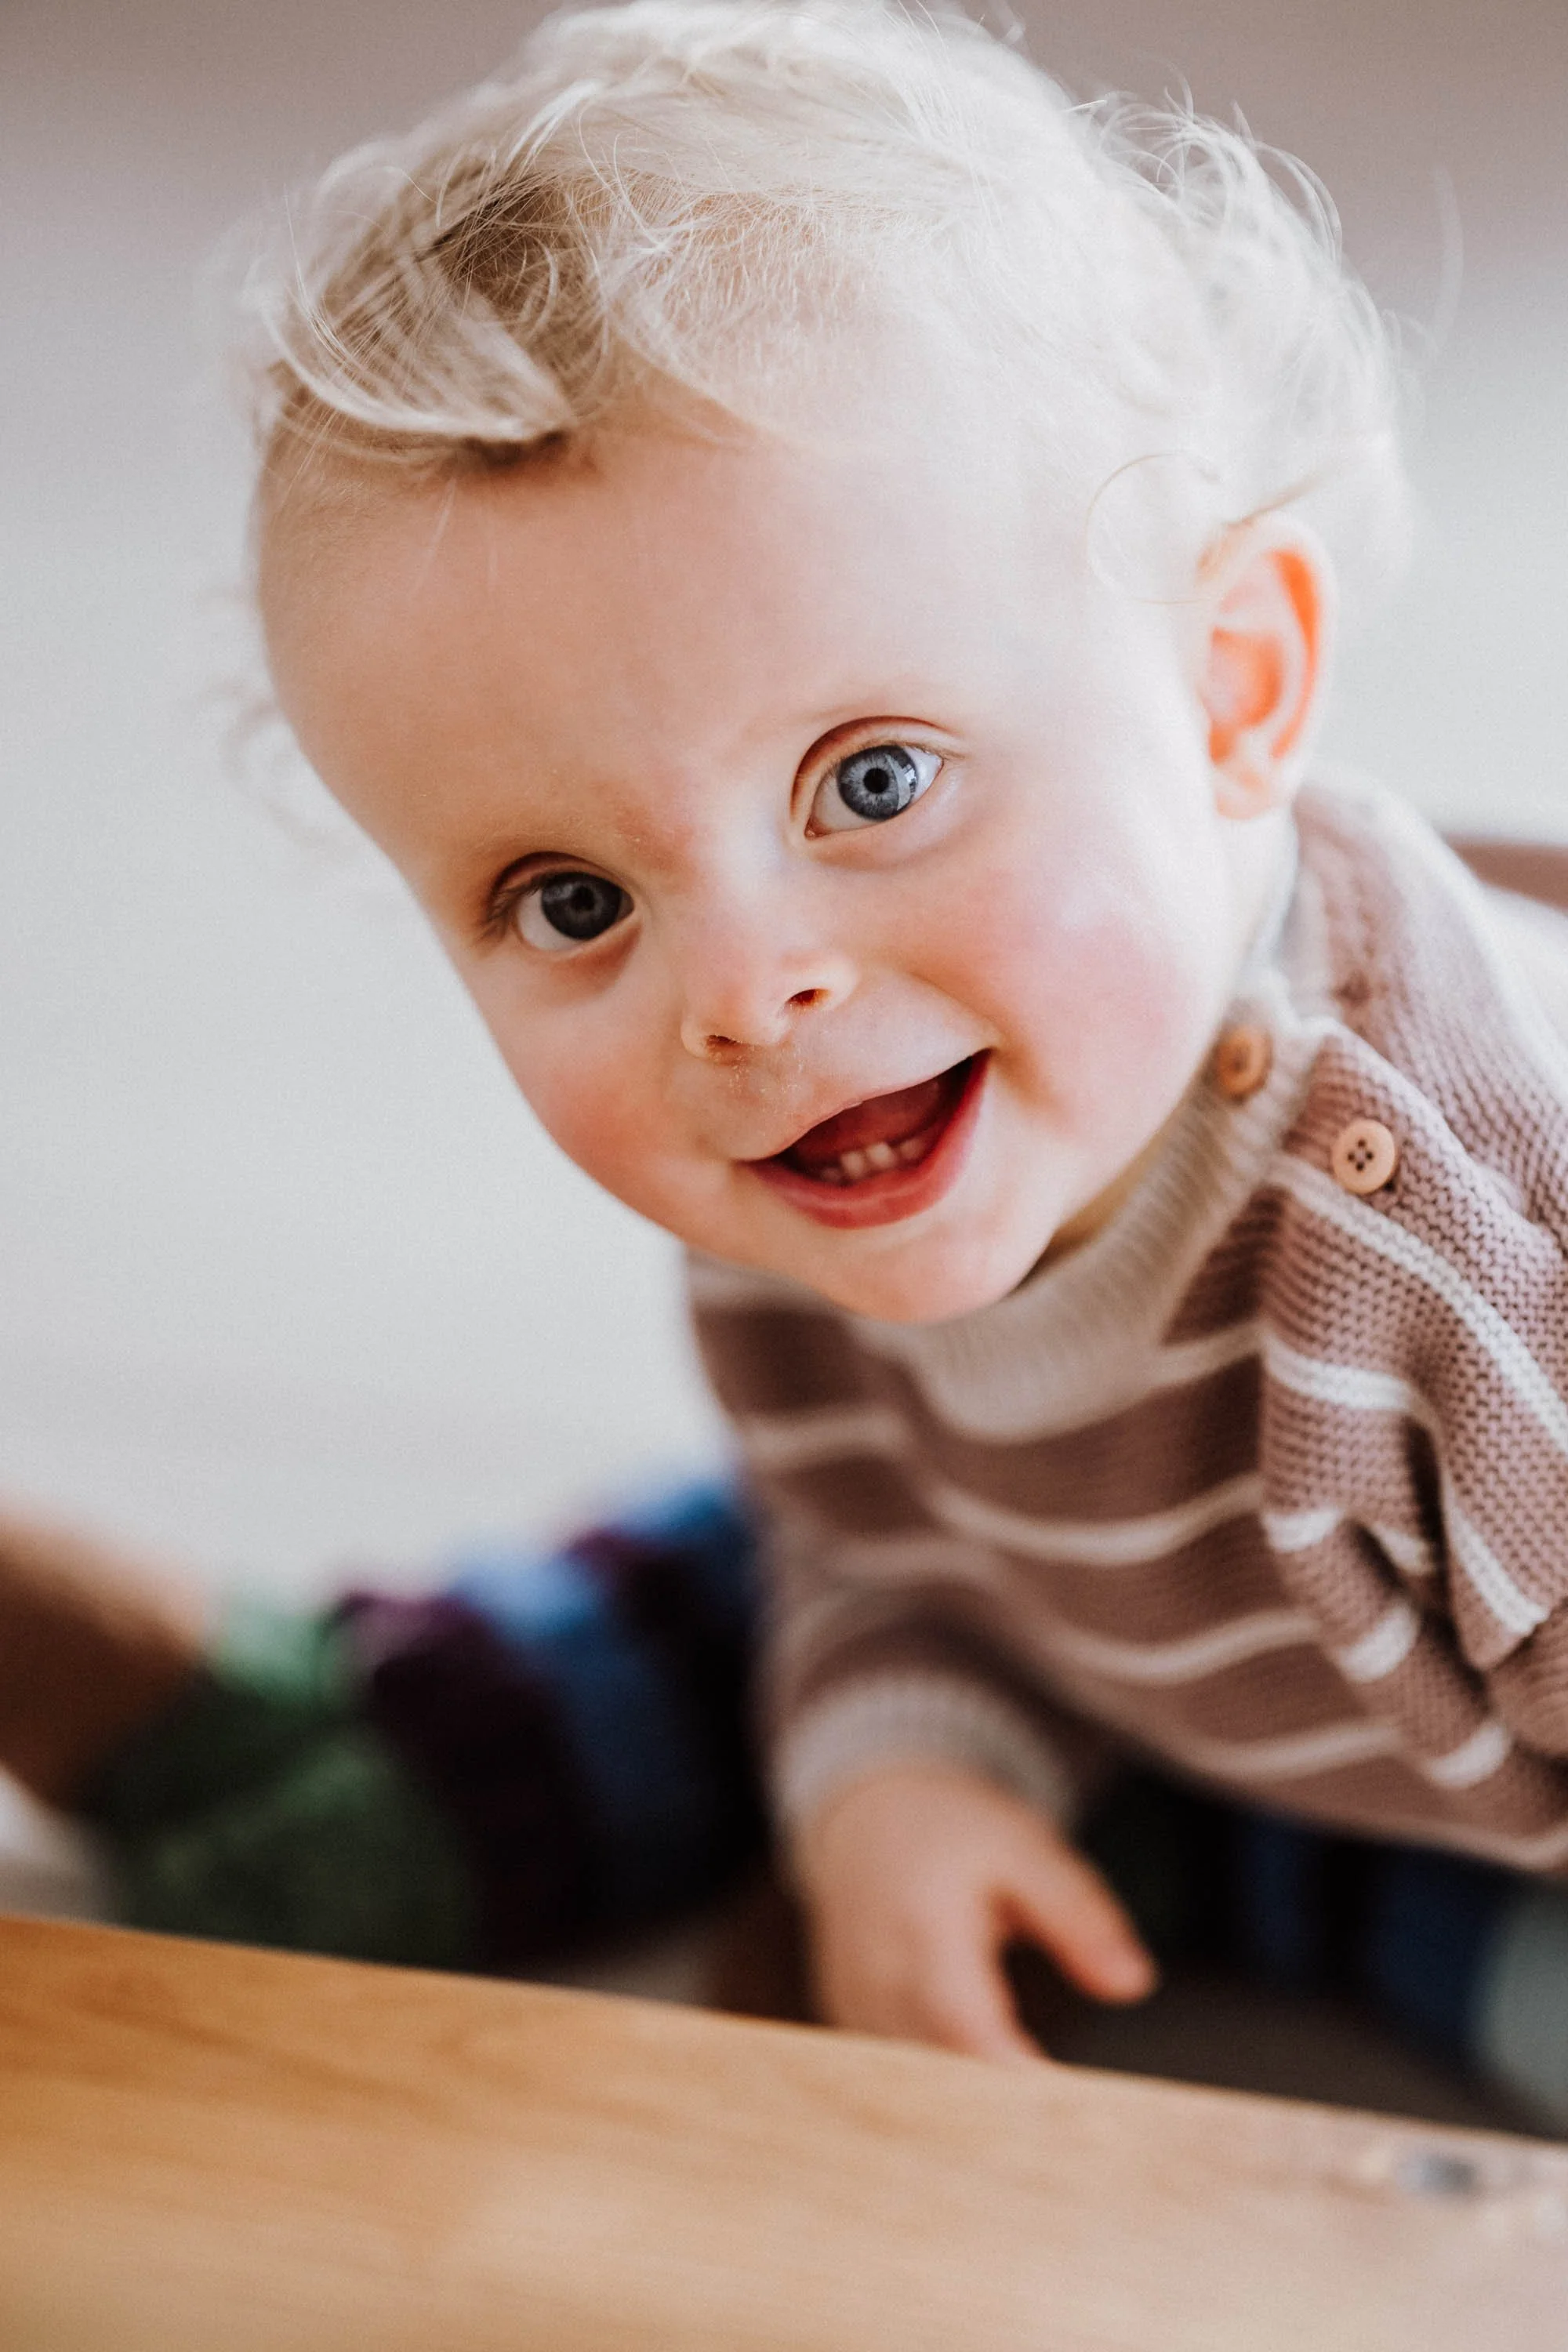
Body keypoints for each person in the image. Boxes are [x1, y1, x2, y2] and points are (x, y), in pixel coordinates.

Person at [9, 0, 1568, 2125]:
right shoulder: (832, 1130)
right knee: (768, 1584)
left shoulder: (1485, 1266)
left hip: (1485, 1738)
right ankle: (374, 1743)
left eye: (878, 778)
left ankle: (1085, 1831)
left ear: (1230, 690)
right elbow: (881, 1523)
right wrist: (898, 1769)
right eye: (574, 903)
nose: (738, 993)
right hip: (1174, 1599)